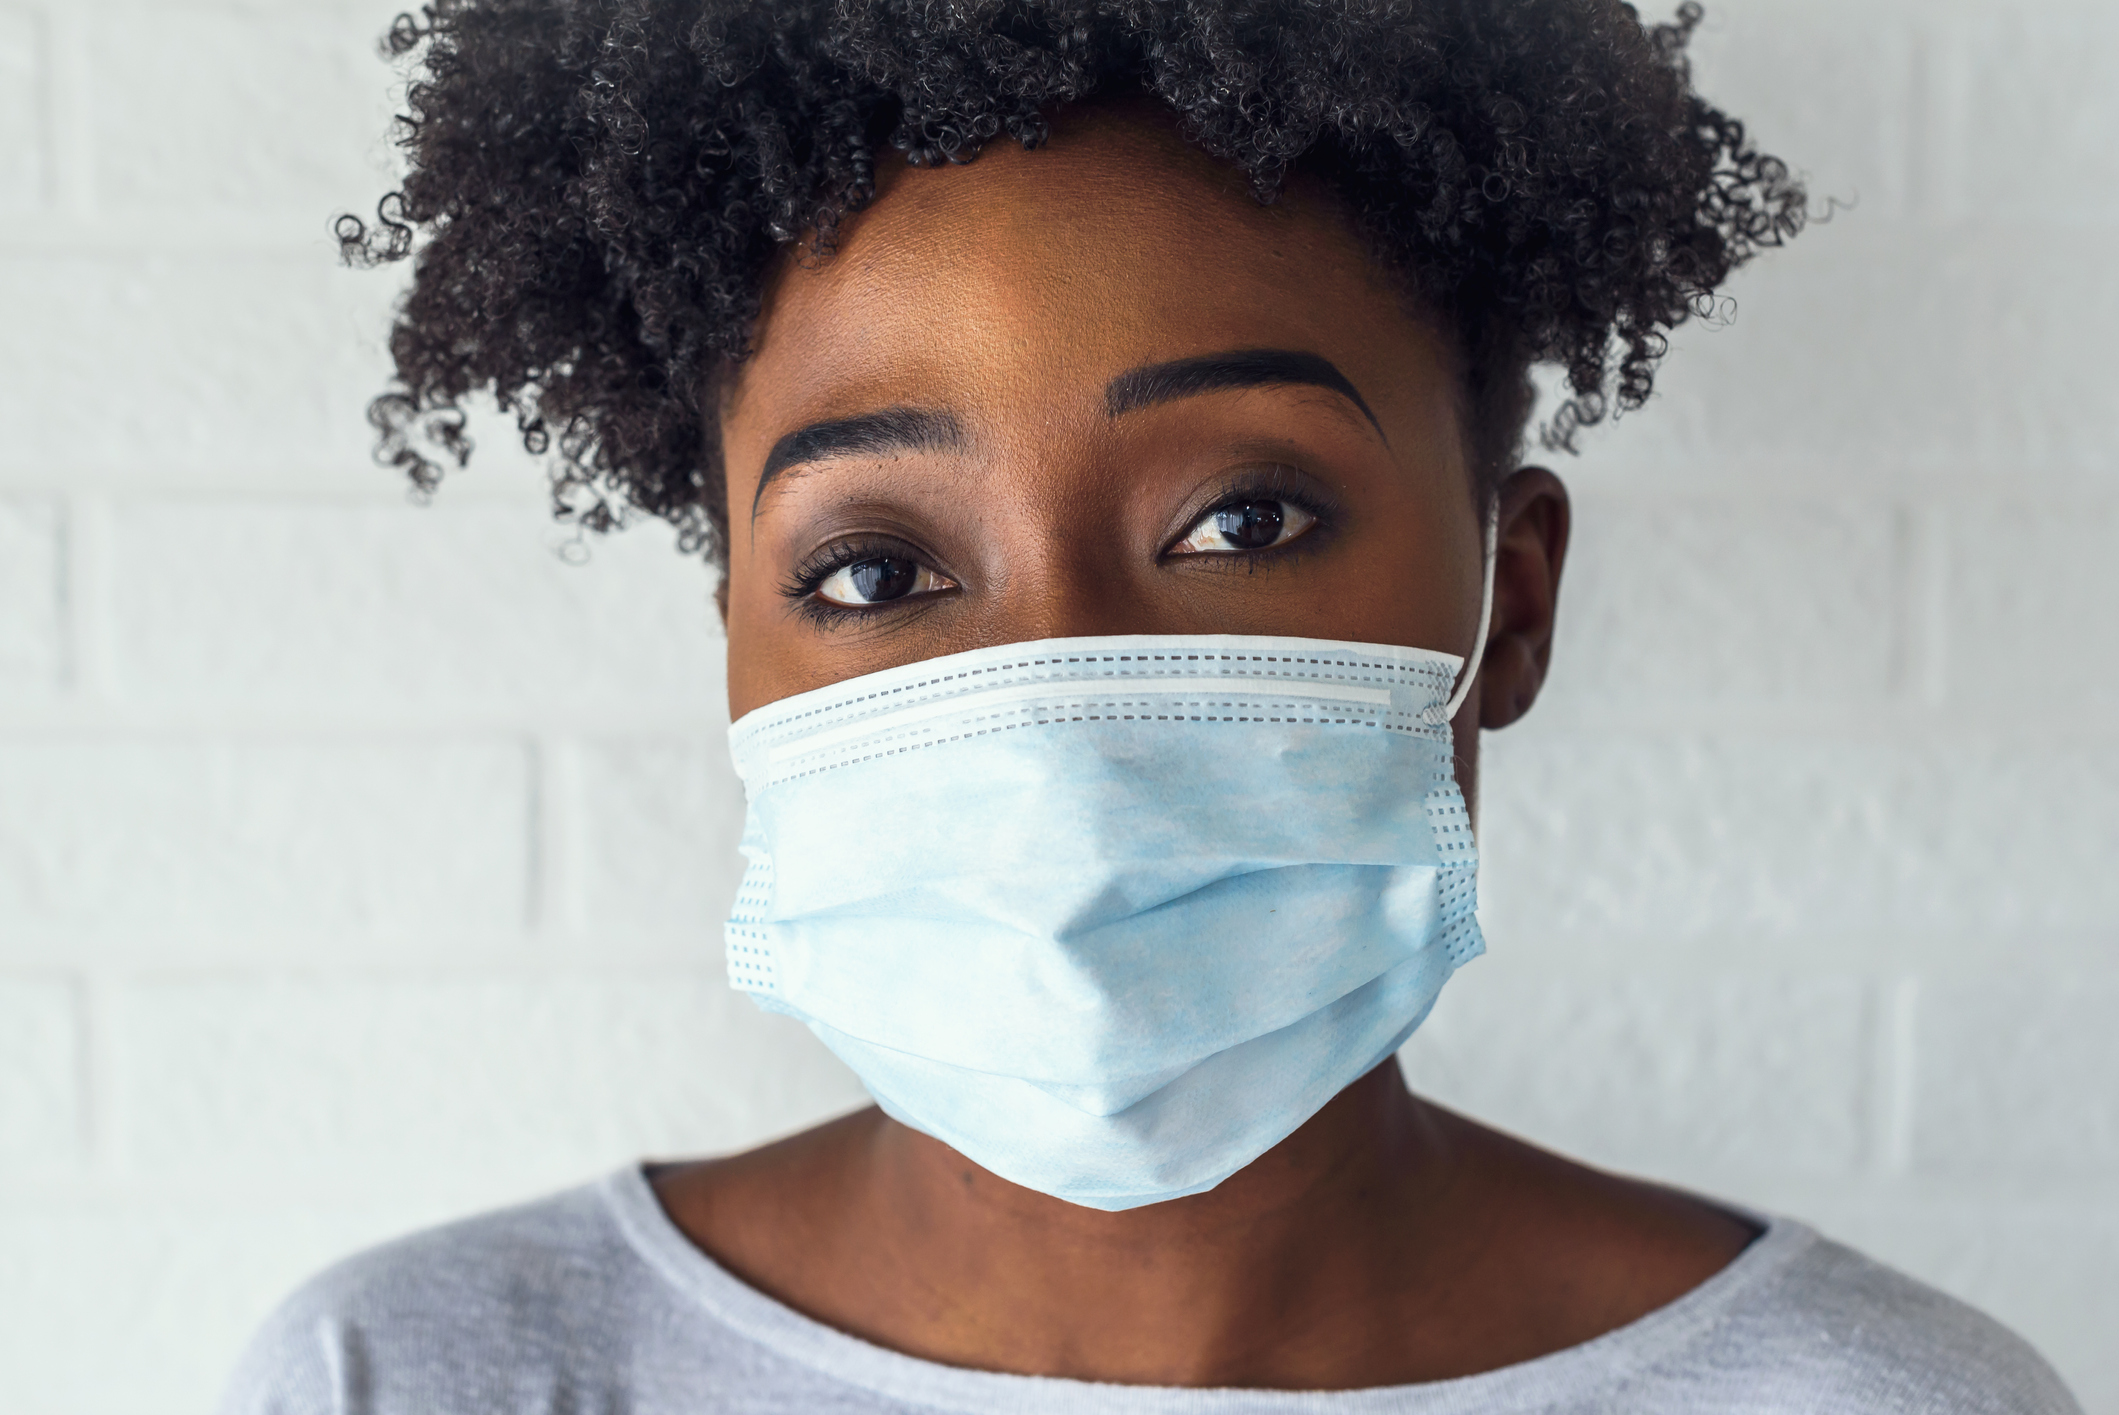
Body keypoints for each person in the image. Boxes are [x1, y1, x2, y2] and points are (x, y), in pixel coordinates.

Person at [223, 1, 2082, 1411]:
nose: (1056, 710)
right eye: (874, 571)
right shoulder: (415, 1378)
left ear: (1509, 602)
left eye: (1241, 520)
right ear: (735, 639)